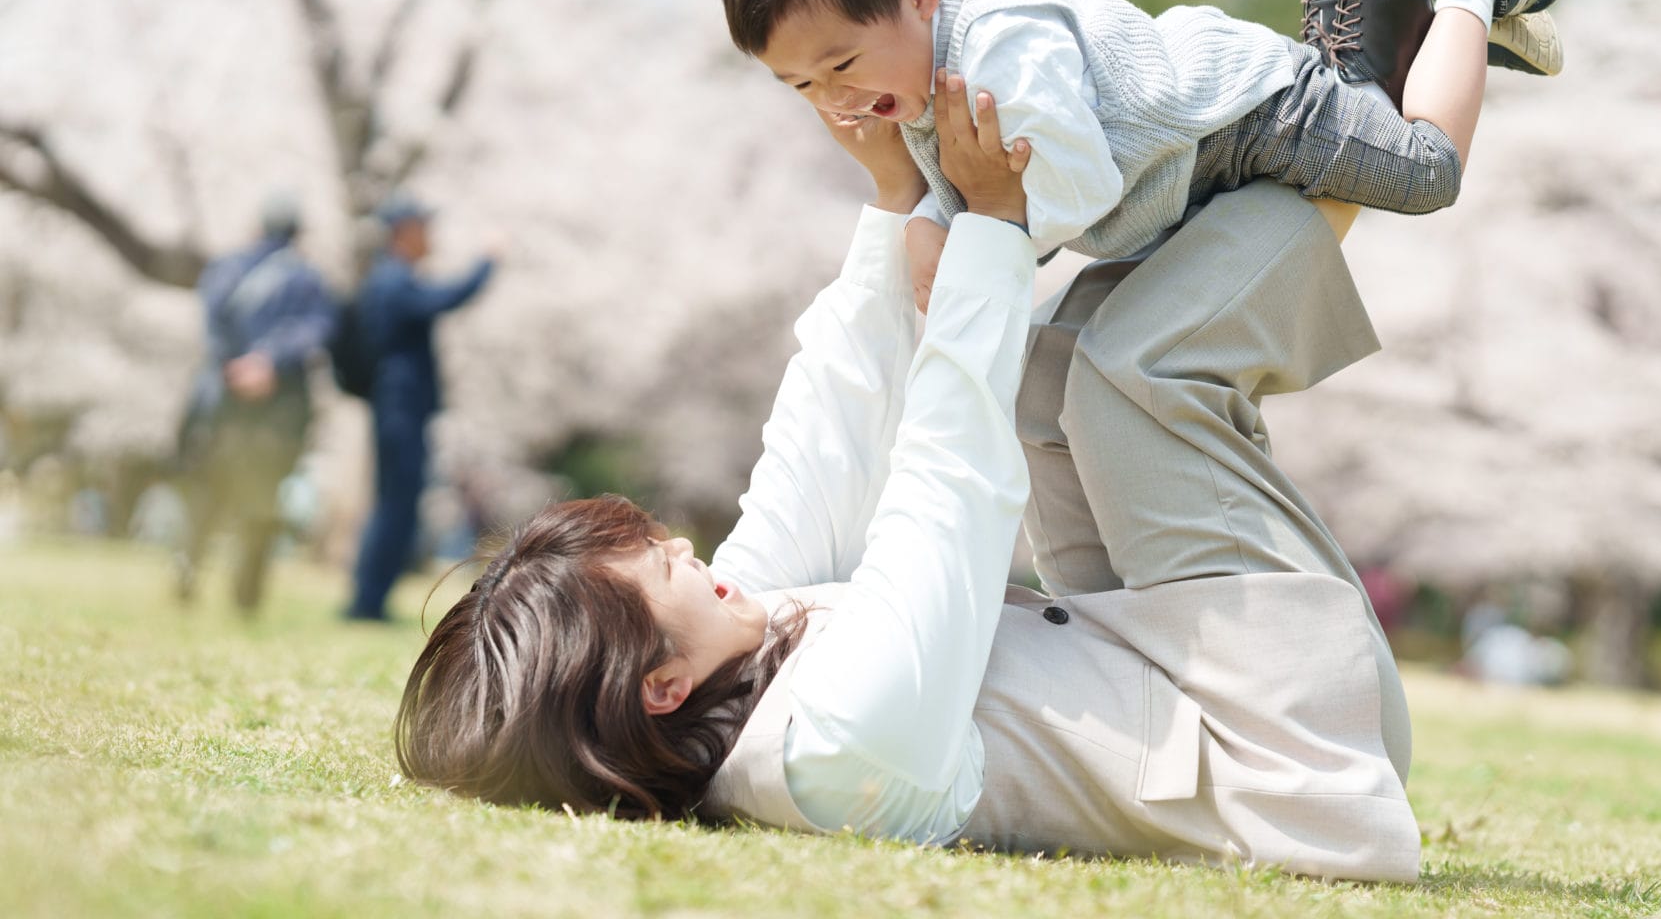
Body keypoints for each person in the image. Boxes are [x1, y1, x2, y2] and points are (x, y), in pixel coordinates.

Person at [396, 72, 1422, 879]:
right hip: (1288, 741)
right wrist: (992, 226)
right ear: (659, 686)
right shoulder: (834, 747)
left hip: (1185, 661)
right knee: (1137, 370)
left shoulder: (728, 664)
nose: (683, 545)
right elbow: (946, 490)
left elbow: (821, 439)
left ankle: (1335, 107)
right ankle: (1373, 112)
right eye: (662, 568)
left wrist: (896, 193)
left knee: (1056, 366)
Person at [720, 0, 1561, 306]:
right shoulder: (906, 61)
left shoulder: (1000, 53)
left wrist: (962, 237)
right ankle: (1354, 37)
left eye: (839, 66)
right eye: (800, 86)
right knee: (1369, 106)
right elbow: (976, 184)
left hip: (1254, 115)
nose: (833, 100)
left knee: (1423, 172)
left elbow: (1074, 183)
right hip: (1194, 151)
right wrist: (932, 218)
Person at [177, 191, 336, 612]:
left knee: (208, 488)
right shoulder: (306, 276)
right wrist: (268, 361)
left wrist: (237, 365)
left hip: (223, 398)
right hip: (279, 407)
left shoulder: (226, 267)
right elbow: (317, 328)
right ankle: (246, 594)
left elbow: (213, 324)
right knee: (263, 495)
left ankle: (187, 571)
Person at [345, 193, 497, 622]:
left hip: (398, 408)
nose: (431, 235)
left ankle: (370, 600)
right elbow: (448, 297)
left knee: (395, 503)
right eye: (424, 227)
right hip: (400, 410)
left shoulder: (390, 277)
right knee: (396, 504)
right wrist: (487, 261)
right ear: (404, 232)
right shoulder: (394, 280)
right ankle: (367, 602)